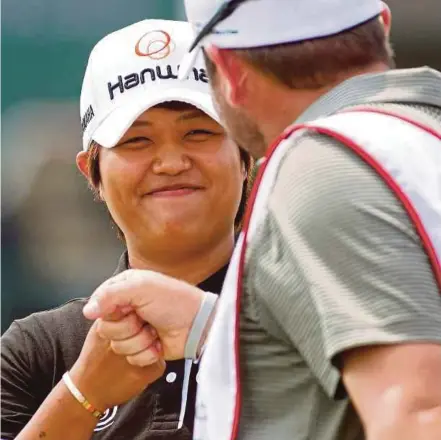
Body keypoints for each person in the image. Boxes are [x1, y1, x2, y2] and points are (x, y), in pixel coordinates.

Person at [82, 1, 441, 440]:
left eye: (197, 130)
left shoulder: (320, 164)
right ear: (381, 25)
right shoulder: (422, 132)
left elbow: (419, 412)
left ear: (228, 71)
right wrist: (212, 325)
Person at [0, 19, 254, 440]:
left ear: (247, 154)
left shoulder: (312, 312)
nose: (171, 162)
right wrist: (84, 392)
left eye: (198, 132)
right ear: (91, 172)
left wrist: (219, 333)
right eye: (136, 141)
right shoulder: (37, 351)